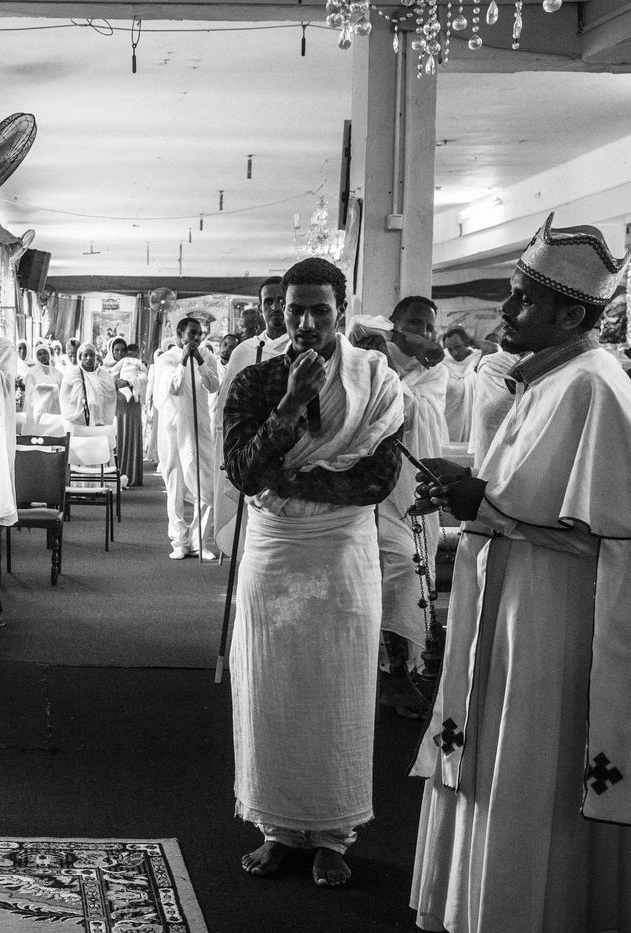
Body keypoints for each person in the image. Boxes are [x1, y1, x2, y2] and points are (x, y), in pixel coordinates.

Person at [410, 215, 631, 932]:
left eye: (524, 299)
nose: (505, 311)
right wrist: (472, 487)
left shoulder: (594, 386)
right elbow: (529, 489)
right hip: (519, 600)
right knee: (507, 748)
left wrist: (485, 503)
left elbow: (621, 533)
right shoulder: (549, 378)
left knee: (538, 755)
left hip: (559, 613)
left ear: (571, 315)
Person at [223, 256, 403, 888]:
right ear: (278, 310)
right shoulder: (255, 381)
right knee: (270, 688)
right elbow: (245, 472)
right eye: (293, 310)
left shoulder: (375, 380)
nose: (304, 324)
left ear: (341, 312)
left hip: (341, 555)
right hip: (274, 555)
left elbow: (374, 481)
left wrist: (288, 481)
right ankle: (274, 828)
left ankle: (333, 834)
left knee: (337, 690)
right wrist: (292, 402)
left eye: (319, 311)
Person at [354, 297, 449, 720]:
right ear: (395, 323)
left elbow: (413, 412)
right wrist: (396, 344)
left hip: (412, 490)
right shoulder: (368, 347)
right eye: (415, 323)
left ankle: (401, 671)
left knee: (412, 576)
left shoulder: (434, 371)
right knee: (390, 573)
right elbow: (358, 323)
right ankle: (385, 675)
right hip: (370, 489)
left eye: (430, 328)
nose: (425, 334)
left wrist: (391, 363)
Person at [213, 277, 289, 557]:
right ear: (260, 308)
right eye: (268, 302)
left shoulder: (306, 349)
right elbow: (224, 414)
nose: (275, 307)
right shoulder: (244, 352)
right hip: (250, 456)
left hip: (289, 458)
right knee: (249, 539)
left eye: (281, 301)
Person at [161, 316, 221, 559]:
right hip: (175, 429)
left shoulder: (207, 356)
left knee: (205, 485)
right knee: (175, 486)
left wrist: (200, 361)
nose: (196, 338)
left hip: (200, 427)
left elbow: (214, 386)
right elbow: (172, 388)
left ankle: (199, 542)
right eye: (191, 333)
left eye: (199, 334)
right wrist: (184, 360)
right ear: (179, 334)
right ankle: (179, 542)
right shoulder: (167, 359)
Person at [465, 346, 521, 465]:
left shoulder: (544, 365)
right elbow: (483, 403)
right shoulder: (491, 363)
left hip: (522, 432)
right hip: (487, 429)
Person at [109, 340, 148, 487]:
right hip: (116, 406)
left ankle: (131, 474)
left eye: (122, 350)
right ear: (111, 351)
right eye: (116, 350)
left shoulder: (135, 364)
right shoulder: (106, 367)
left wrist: (129, 382)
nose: (120, 353)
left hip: (132, 405)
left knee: (131, 434)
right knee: (117, 435)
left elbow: (144, 379)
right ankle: (115, 474)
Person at [438, 325, 482, 443]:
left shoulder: (476, 365)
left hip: (470, 428)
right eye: (449, 349)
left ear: (467, 344)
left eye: (458, 347)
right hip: (447, 428)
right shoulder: (441, 368)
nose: (455, 353)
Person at [60, 342, 116, 427]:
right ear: (80, 357)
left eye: (92, 355)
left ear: (95, 357)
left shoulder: (104, 375)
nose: (89, 358)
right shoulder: (72, 374)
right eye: (85, 355)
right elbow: (64, 396)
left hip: (98, 420)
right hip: (77, 420)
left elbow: (111, 396)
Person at [22, 341, 63, 425]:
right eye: (39, 354)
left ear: (49, 354)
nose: (43, 356)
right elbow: (30, 395)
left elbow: (63, 393)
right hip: (39, 410)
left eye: (45, 353)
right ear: (36, 357)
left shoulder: (58, 373)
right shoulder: (31, 373)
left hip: (54, 410)